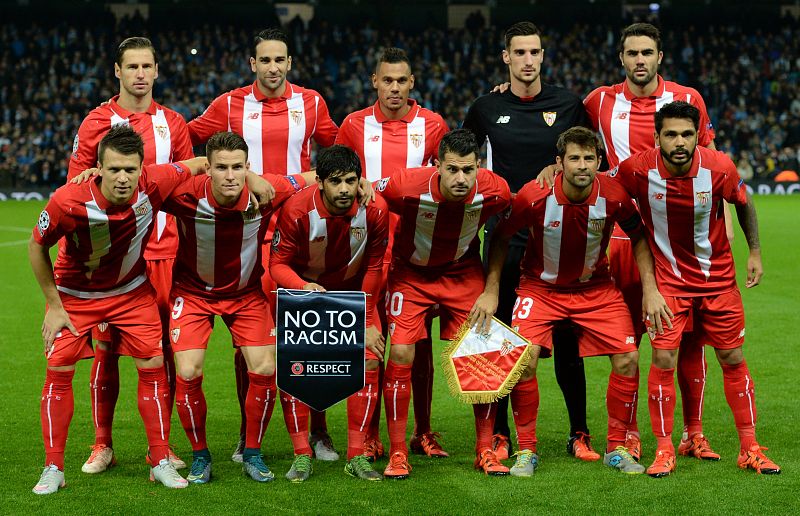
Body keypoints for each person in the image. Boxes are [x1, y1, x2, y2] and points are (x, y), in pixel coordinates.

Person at [474, 126, 670, 477]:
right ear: (559, 162)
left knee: (628, 358)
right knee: (525, 361)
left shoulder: (614, 195)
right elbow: (500, 237)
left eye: (589, 158)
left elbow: (640, 236)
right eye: (574, 158)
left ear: (599, 161)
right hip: (540, 290)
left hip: (595, 290)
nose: (582, 166)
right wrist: (491, 290)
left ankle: (616, 447)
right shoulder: (534, 196)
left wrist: (651, 290)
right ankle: (527, 451)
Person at [29, 126, 208, 494]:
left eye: (130, 169)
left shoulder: (155, 181)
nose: (123, 178)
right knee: (58, 369)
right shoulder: (67, 201)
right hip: (76, 295)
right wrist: (53, 303)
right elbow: (36, 246)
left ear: (142, 167)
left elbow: (201, 163)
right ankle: (53, 467)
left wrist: (251, 178)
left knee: (153, 365)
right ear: (97, 168)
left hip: (130, 292)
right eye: (113, 170)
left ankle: (158, 459)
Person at [188, 27, 340, 461]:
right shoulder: (229, 104)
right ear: (252, 64)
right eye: (265, 60)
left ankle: (319, 431)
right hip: (246, 233)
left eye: (280, 60)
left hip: (300, 228)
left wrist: (317, 180)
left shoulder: (311, 102)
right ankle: (246, 434)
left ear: (289, 63)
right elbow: (187, 140)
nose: (273, 68)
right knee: (249, 339)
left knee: (310, 331)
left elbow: (335, 151)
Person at [613, 101, 780, 477]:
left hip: (718, 282)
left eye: (687, 134)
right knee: (664, 361)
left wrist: (754, 251)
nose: (679, 142)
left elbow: (745, 202)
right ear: (657, 138)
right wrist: (554, 167)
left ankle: (750, 447)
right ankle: (665, 449)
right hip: (668, 284)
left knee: (733, 358)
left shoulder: (719, 166)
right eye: (670, 134)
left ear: (697, 136)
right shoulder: (636, 169)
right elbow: (601, 189)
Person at [581, 23, 722, 461]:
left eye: (647, 52)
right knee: (628, 342)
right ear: (620, 58)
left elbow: (711, 166)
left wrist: (724, 231)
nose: (639, 60)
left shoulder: (687, 99)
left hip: (679, 247)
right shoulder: (598, 102)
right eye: (631, 53)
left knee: (688, 342)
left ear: (660, 56)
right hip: (622, 239)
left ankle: (693, 433)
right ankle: (626, 434)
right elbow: (569, 135)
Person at [462, 21, 590, 460]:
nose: (528, 60)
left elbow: (594, 160)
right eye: (520, 53)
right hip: (505, 240)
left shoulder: (570, 104)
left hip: (559, 241)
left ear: (542, 55)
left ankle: (580, 433)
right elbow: (462, 161)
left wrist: (559, 169)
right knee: (500, 339)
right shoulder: (484, 108)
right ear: (506, 58)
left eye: (535, 52)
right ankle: (499, 435)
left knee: (569, 340)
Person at [68, 36, 194, 473]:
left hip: (162, 252)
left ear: (157, 71)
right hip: (111, 258)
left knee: (162, 352)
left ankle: (162, 446)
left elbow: (187, 186)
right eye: (132, 67)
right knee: (105, 349)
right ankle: (101, 443)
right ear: (117, 72)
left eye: (147, 66)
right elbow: (72, 193)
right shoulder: (95, 123)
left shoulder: (174, 124)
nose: (140, 74)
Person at [163, 132, 310, 484]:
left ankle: (253, 453)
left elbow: (313, 177)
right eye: (221, 168)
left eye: (238, 168)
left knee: (264, 368)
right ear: (207, 169)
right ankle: (200, 456)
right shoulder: (182, 193)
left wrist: (363, 182)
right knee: (187, 372)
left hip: (246, 295)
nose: (230, 176)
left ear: (248, 168)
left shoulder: (266, 189)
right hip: (193, 293)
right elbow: (141, 179)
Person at [376, 128, 512, 479]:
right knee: (402, 353)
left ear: (479, 167)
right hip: (411, 274)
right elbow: (371, 202)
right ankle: (398, 452)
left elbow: (502, 235)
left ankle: (484, 450)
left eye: (468, 170)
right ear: (437, 165)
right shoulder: (404, 185)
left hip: (462, 274)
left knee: (481, 356)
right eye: (452, 169)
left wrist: (492, 287)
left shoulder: (495, 191)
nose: (461, 178)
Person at [336, 47, 449, 461]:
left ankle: (422, 431)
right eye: (388, 80)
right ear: (375, 82)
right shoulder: (352, 126)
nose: (395, 88)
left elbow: (450, 179)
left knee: (414, 346)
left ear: (412, 82)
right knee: (369, 343)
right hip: (365, 250)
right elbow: (338, 180)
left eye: (402, 80)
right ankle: (366, 433)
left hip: (416, 254)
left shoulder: (433, 125)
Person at [269, 144, 389, 482]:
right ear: (320, 182)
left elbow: (377, 264)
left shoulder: (375, 211)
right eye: (336, 181)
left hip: (353, 293)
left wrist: (363, 318)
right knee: (295, 363)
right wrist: (303, 289)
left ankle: (357, 455)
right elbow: (277, 265)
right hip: (306, 293)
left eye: (351, 181)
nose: (345, 189)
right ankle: (301, 454)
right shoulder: (295, 210)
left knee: (369, 358)